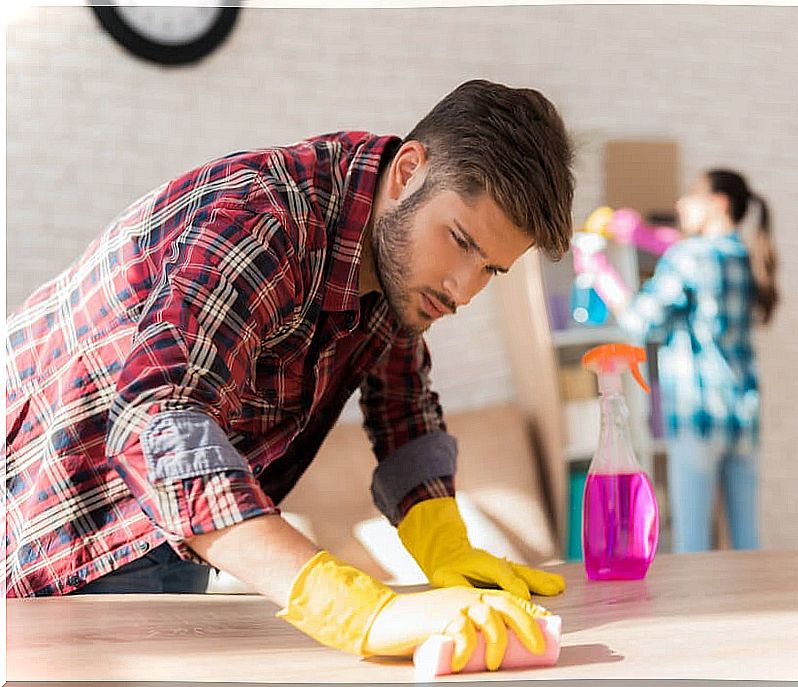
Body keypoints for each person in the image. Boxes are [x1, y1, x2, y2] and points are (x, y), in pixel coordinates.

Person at [5, 79, 574, 671]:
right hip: (58, 530)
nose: (464, 288)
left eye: (491, 269)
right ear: (408, 171)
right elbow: (160, 423)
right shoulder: (262, 221)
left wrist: (446, 546)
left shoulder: (395, 259)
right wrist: (356, 609)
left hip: (177, 537)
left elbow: (403, 407)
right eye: (459, 241)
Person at [611, 169, 779, 553]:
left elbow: (639, 322)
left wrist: (603, 276)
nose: (681, 204)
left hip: (697, 412)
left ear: (718, 203)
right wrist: (643, 235)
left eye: (691, 195)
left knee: (693, 544)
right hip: (743, 413)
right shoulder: (746, 255)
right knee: (747, 540)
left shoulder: (688, 256)